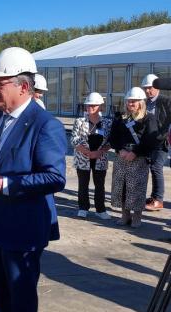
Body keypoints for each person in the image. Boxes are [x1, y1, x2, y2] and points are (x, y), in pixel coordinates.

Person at [0, 47, 66, 312]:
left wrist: (6, 183)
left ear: (23, 87)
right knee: (0, 297)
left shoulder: (45, 125)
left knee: (20, 300)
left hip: (23, 228)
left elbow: (55, 177)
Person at [110, 87, 159, 227]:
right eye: (129, 101)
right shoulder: (120, 118)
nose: (130, 104)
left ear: (141, 102)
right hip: (122, 158)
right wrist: (119, 150)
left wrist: (136, 152)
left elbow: (151, 139)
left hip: (139, 159)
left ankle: (137, 217)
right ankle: (125, 215)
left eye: (134, 102)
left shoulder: (149, 118)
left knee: (137, 188)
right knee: (122, 187)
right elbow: (113, 137)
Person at [71, 92, 112, 219]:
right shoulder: (79, 121)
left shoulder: (107, 123)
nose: (90, 108)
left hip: (100, 158)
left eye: (94, 105)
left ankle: (100, 209)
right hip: (83, 158)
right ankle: (83, 207)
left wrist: (99, 152)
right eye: (88, 105)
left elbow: (111, 141)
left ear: (100, 106)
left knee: (99, 185)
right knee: (83, 184)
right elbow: (74, 140)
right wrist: (87, 152)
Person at [140, 74, 171, 211]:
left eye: (150, 88)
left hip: (162, 141)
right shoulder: (144, 102)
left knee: (156, 167)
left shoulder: (166, 101)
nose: (147, 91)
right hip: (148, 142)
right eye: (145, 88)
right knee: (147, 168)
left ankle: (158, 199)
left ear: (157, 87)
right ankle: (153, 197)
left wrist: (164, 135)